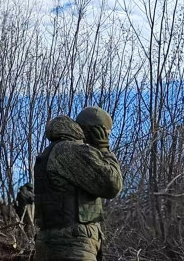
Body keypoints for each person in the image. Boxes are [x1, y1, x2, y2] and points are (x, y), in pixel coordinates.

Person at [34, 108, 123, 261]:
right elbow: (112, 185)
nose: (106, 138)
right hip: (73, 247)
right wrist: (104, 149)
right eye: (105, 134)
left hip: (55, 245)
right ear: (96, 132)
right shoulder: (71, 150)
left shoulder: (53, 150)